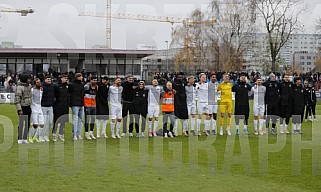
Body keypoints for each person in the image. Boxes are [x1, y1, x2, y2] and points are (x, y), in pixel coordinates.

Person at [15, 74, 32, 144]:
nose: (29, 80)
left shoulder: (29, 86)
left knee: (27, 124)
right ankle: (19, 138)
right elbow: (17, 100)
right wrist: (19, 109)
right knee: (21, 123)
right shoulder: (19, 87)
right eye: (28, 79)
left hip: (28, 106)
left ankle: (25, 138)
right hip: (22, 107)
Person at [52, 74, 69, 141]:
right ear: (61, 78)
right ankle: (54, 134)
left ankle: (61, 134)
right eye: (64, 78)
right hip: (58, 106)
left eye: (66, 78)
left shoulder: (67, 87)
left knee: (63, 121)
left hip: (65, 106)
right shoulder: (56, 86)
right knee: (56, 120)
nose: (66, 79)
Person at [69, 73, 85, 140]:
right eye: (80, 76)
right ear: (77, 77)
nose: (82, 77)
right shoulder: (71, 84)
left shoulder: (82, 84)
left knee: (80, 120)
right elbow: (69, 94)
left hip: (81, 103)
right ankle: (74, 134)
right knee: (75, 119)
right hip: (75, 103)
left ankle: (79, 134)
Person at [29, 78, 45, 142]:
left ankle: (35, 137)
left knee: (42, 124)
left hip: (39, 108)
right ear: (35, 83)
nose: (39, 83)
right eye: (38, 82)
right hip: (33, 108)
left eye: (40, 82)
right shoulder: (32, 90)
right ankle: (30, 137)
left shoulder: (41, 90)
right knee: (35, 124)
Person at [41, 75, 55, 142]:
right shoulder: (42, 87)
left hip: (50, 106)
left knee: (50, 122)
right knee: (44, 122)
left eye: (50, 79)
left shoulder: (53, 87)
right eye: (48, 79)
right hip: (43, 106)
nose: (49, 80)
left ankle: (46, 135)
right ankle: (42, 135)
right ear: (45, 80)